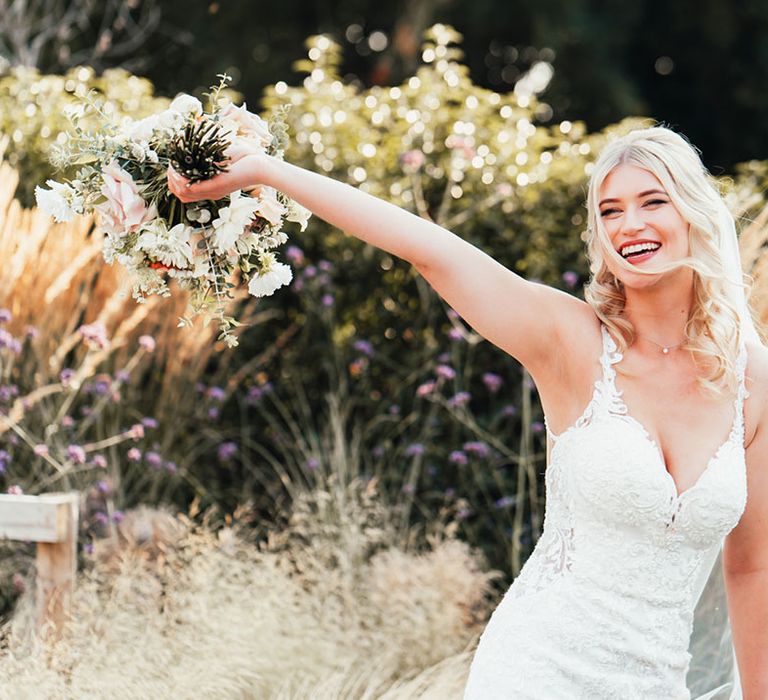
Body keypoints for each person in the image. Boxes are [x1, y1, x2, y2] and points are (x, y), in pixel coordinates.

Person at [168, 126, 768, 699]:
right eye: (610, 211)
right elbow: (430, 250)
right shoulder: (570, 341)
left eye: (651, 201)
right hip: (536, 675)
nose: (630, 224)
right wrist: (270, 172)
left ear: (693, 212)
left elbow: (752, 569)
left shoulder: (749, 378)